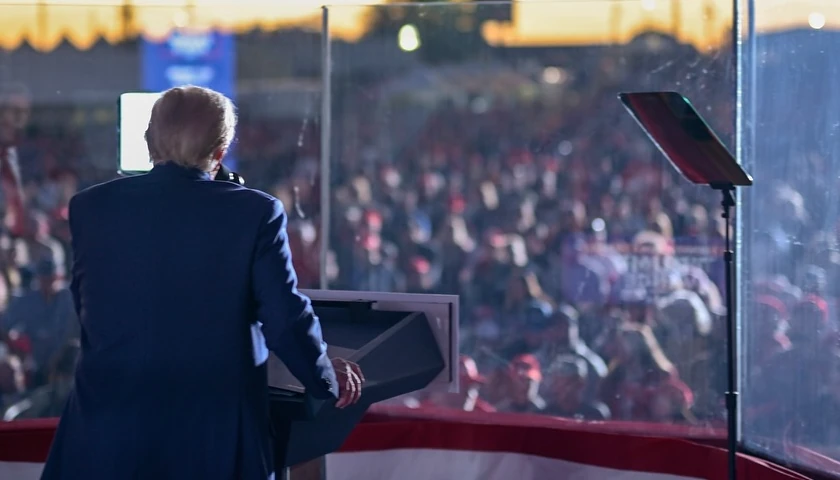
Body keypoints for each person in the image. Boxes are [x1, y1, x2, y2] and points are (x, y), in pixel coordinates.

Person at [40, 86, 364, 480]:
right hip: (211, 436)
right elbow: (284, 319)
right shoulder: (255, 212)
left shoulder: (90, 208)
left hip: (103, 435)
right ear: (220, 150)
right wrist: (325, 379)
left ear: (148, 141)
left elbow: (89, 305)